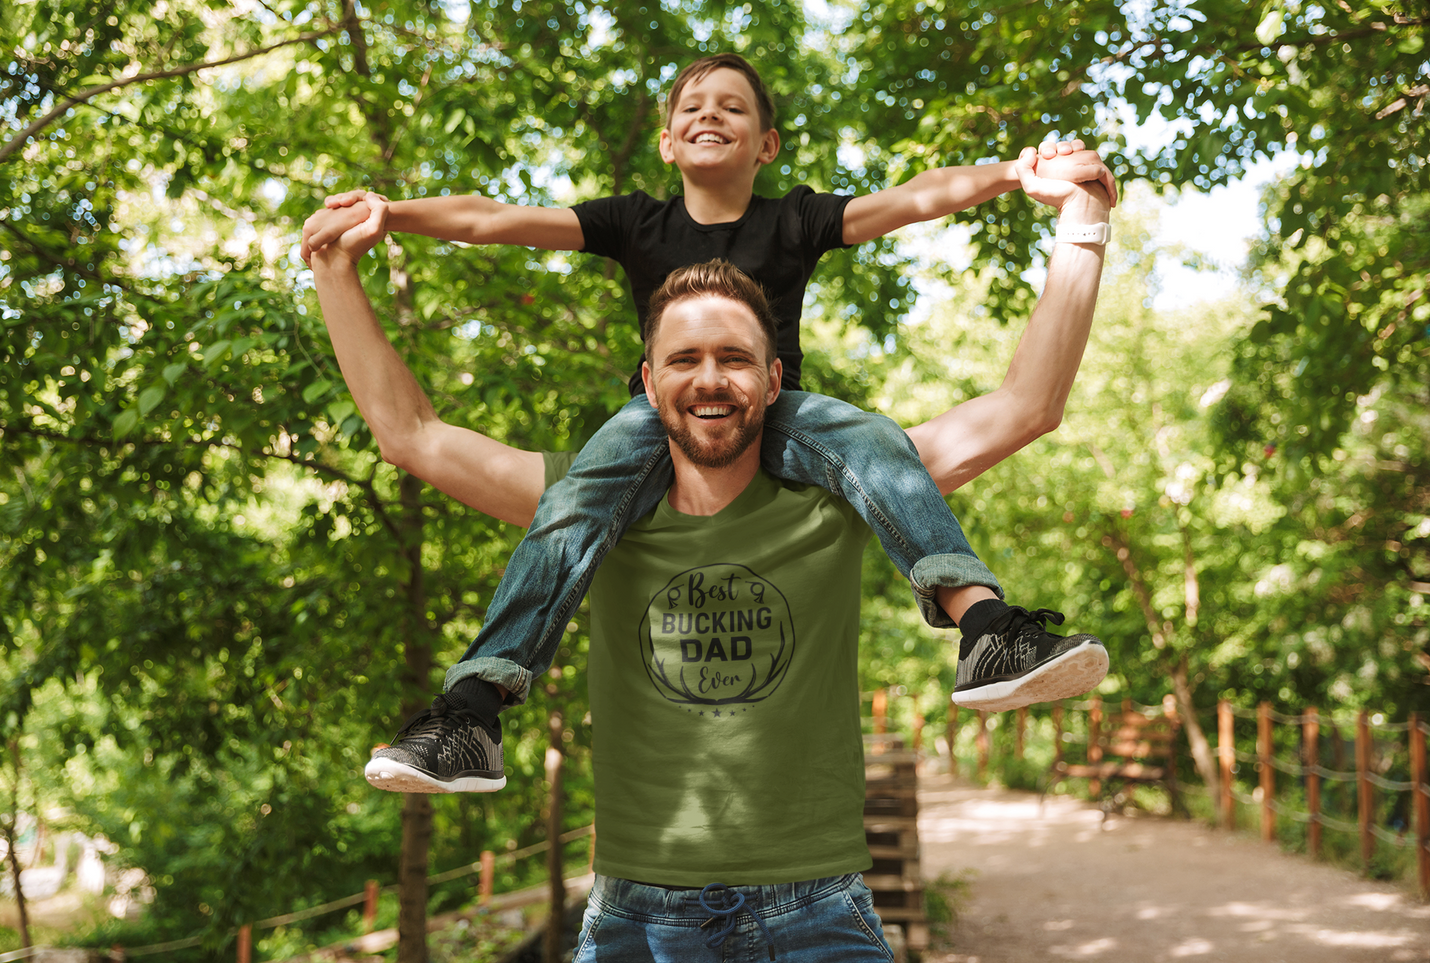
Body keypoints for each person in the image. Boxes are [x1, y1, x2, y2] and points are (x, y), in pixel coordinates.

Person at [309, 149, 1113, 959]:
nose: (709, 379)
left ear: (773, 381)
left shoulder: (849, 488)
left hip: (819, 910)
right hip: (635, 918)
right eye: (684, 361)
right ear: (649, 385)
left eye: (733, 358)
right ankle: (472, 712)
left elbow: (1026, 405)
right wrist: (334, 268)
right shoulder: (583, 507)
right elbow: (410, 436)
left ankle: (988, 632)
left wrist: (1082, 222)